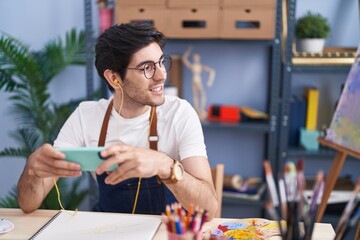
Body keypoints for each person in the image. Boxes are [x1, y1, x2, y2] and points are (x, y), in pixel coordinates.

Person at [17, 23, 218, 219]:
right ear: (114, 78)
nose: (161, 75)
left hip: (167, 232)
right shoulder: (86, 117)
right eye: (147, 68)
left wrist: (165, 166)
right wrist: (32, 171)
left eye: (161, 62)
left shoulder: (179, 113)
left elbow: (210, 211)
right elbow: (28, 205)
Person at [182, 46, 216, 120]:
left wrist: (210, 81)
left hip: (197, 80)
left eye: (197, 57)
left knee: (202, 95)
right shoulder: (193, 66)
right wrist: (188, 51)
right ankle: (198, 109)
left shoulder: (200, 66)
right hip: (195, 80)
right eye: (195, 57)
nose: (196, 58)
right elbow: (184, 59)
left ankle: (201, 109)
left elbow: (212, 71)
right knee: (196, 95)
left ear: (199, 58)